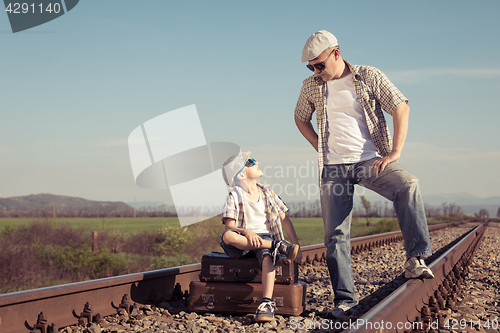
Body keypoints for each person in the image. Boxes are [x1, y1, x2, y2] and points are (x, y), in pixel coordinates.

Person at [294, 30, 434, 317]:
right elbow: (299, 117)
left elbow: (400, 107)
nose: (317, 72)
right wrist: (318, 145)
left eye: (320, 65)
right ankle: (345, 302)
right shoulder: (310, 86)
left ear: (336, 53)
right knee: (335, 236)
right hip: (333, 167)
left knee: (408, 184)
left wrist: (394, 153)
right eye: (311, 67)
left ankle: (415, 259)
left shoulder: (368, 76)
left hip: (370, 160)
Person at [220, 151, 303, 322]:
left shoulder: (268, 193)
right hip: (242, 239)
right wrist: (246, 231)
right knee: (227, 236)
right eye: (250, 161)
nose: (256, 161)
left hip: (264, 238)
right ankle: (276, 246)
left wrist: (296, 246)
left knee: (267, 257)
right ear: (241, 174)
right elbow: (229, 226)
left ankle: (266, 303)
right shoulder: (234, 194)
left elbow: (285, 220)